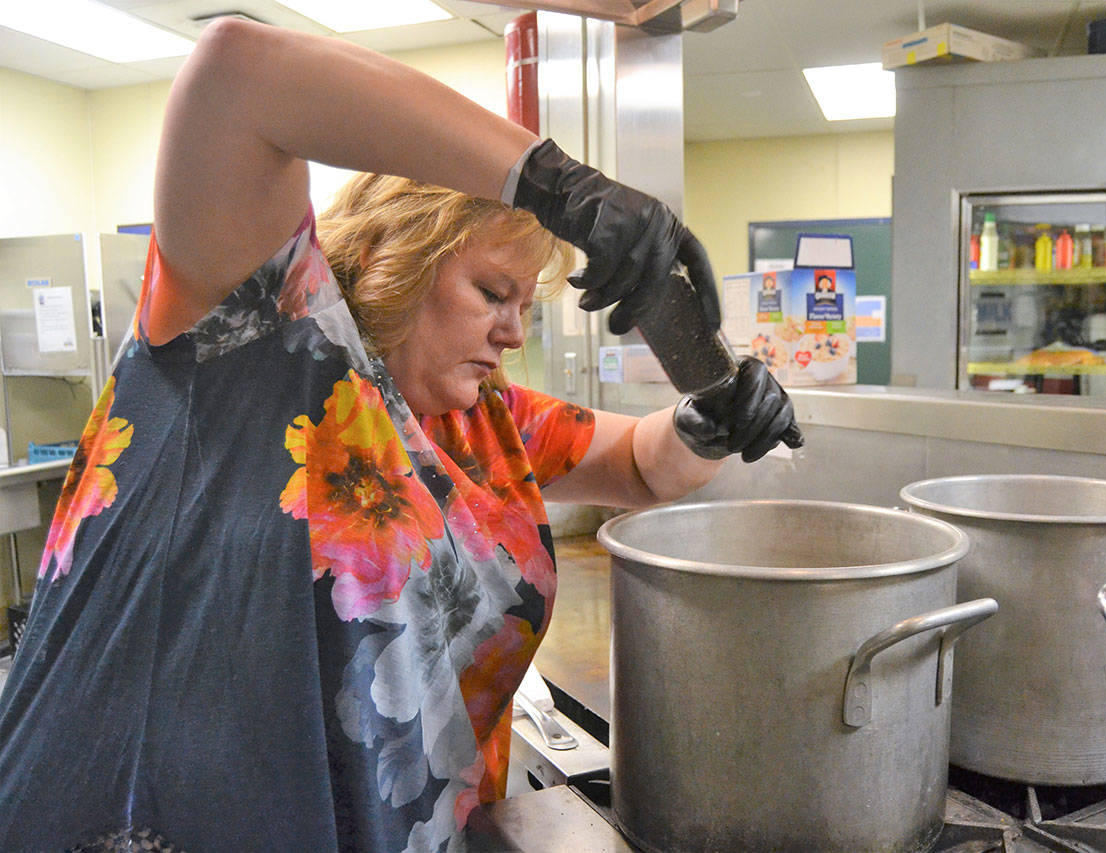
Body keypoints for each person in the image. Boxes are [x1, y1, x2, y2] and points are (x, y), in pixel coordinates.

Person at [0, 18, 800, 853]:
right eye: (494, 291)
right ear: (399, 255)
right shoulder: (252, 336)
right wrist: (554, 185)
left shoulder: (484, 422)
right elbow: (234, 73)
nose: (513, 331)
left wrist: (707, 422)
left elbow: (640, 464)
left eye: (525, 305)